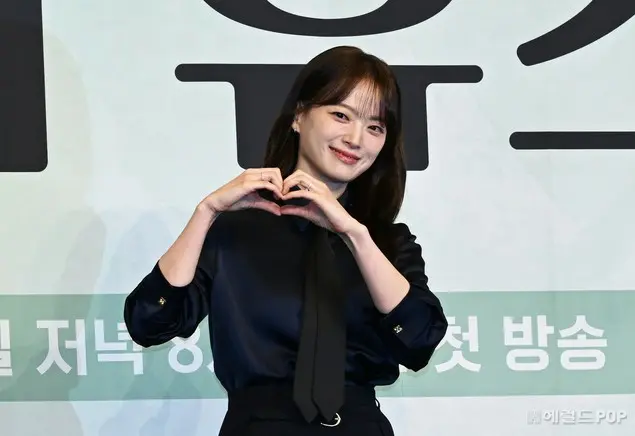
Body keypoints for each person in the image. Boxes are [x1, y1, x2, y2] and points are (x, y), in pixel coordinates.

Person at [123, 45, 448, 436]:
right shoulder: (233, 231)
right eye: (341, 115)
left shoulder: (385, 242)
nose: (355, 138)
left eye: (375, 127)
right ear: (299, 116)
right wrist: (206, 212)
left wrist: (353, 234)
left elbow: (419, 341)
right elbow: (149, 321)